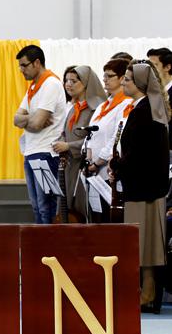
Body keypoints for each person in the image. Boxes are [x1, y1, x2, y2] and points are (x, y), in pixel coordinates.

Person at [109, 61, 170, 313]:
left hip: (144, 187)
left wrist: (117, 165)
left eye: (128, 79)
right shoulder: (146, 108)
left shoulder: (145, 111)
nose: (123, 82)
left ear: (141, 84)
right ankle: (147, 291)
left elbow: (138, 154)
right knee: (146, 242)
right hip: (145, 185)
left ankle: (148, 292)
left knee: (145, 242)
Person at [13, 45, 67, 224]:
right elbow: (16, 119)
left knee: (46, 207)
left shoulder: (50, 83)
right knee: (36, 206)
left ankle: (50, 248)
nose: (21, 70)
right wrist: (33, 117)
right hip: (31, 150)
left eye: (24, 65)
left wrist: (30, 120)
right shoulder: (34, 87)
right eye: (20, 66)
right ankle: (40, 248)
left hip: (45, 152)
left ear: (37, 63)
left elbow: (36, 124)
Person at [51, 65, 106, 220]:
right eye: (66, 80)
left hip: (83, 167)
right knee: (65, 208)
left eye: (73, 81)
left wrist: (69, 146)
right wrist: (61, 142)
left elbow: (95, 138)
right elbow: (65, 133)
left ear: (86, 83)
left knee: (81, 210)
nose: (68, 84)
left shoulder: (95, 109)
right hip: (69, 165)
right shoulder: (73, 108)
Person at [85, 58, 134, 220]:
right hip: (94, 170)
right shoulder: (104, 105)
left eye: (109, 76)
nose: (104, 79)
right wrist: (88, 155)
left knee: (108, 217)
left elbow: (117, 138)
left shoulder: (126, 103)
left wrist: (98, 161)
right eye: (104, 75)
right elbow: (92, 133)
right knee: (97, 216)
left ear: (122, 79)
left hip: (108, 169)